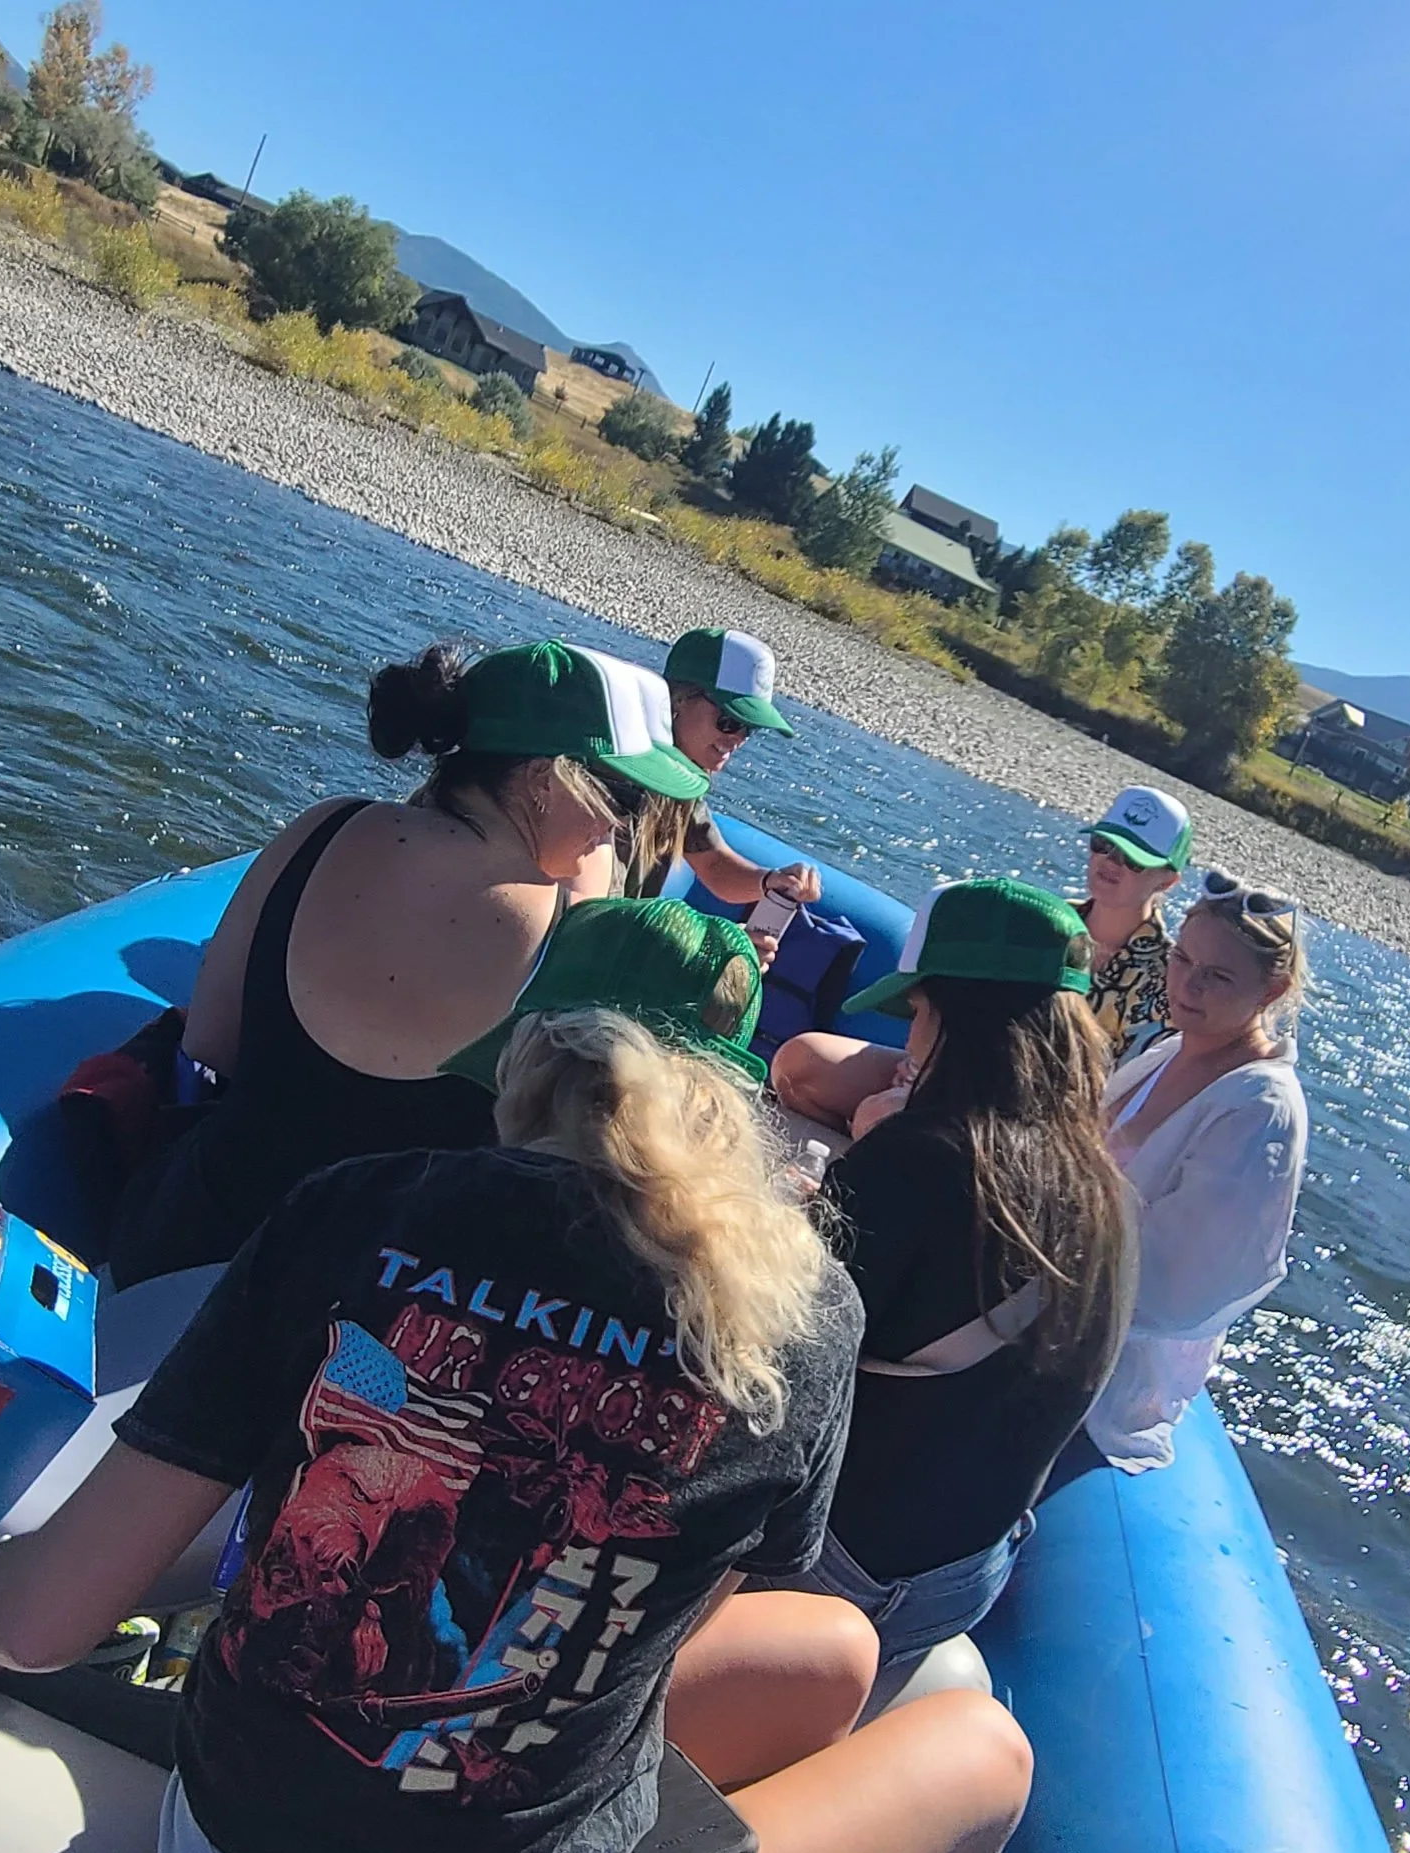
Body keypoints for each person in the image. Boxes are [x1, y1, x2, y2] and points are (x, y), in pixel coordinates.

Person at [0, 913, 1030, 1853]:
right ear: (732, 1095)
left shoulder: (355, 1207)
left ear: (526, 1061)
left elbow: (41, 1624)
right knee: (980, 1756)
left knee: (825, 1661)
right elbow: (680, 1616)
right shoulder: (798, 1322)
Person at [106, 641, 709, 1287]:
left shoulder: (323, 828)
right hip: (345, 1316)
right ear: (544, 778)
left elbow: (209, 1045)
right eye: (625, 799)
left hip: (174, 1241)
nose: (619, 829)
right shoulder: (569, 935)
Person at [761, 881, 1132, 1673]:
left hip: (848, 1573)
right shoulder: (1108, 1196)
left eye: (920, 1016)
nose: (912, 1043)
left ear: (957, 1020)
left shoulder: (924, 1160)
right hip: (967, 1578)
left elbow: (766, 1356)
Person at [1082, 870, 1308, 1473]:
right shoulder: (1173, 1050)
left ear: (1272, 989)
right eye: (1183, 959)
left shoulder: (1261, 1110)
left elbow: (1177, 1293)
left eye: (1219, 976)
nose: (1188, 984)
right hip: (1060, 1283)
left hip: (1106, 1356)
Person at [622, 627, 823, 911]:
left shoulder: (683, 783)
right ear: (678, 699)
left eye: (749, 729)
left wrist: (771, 881)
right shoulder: (619, 768)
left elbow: (714, 864)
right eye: (729, 721)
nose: (737, 739)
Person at [1079, 786, 1193, 1063]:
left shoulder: (1170, 981)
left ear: (1167, 881)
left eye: (1133, 859)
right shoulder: (1043, 922)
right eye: (1104, 845)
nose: (1111, 862)